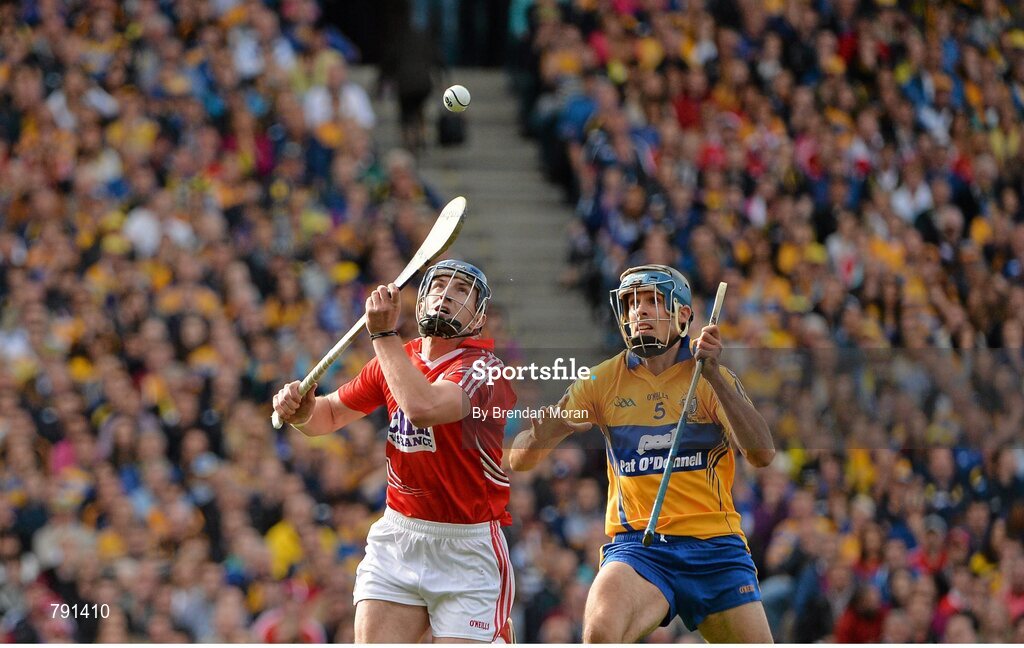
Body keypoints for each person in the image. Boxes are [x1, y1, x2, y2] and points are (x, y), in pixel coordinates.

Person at [509, 264, 775, 643]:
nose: (640, 311)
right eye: (633, 303)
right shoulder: (601, 381)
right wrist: (544, 431)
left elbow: (762, 454)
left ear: (684, 315)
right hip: (640, 550)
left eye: (653, 301)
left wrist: (714, 374)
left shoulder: (711, 376)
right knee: (601, 632)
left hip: (716, 548)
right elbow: (520, 460)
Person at [273, 260, 516, 643]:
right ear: (419, 301)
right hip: (400, 535)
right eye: (438, 288)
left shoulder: (486, 371)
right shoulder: (398, 357)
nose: (446, 298)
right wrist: (302, 411)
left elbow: (423, 409)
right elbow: (330, 415)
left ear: (479, 317)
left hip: (467, 549)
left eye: (460, 293)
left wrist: (383, 334)